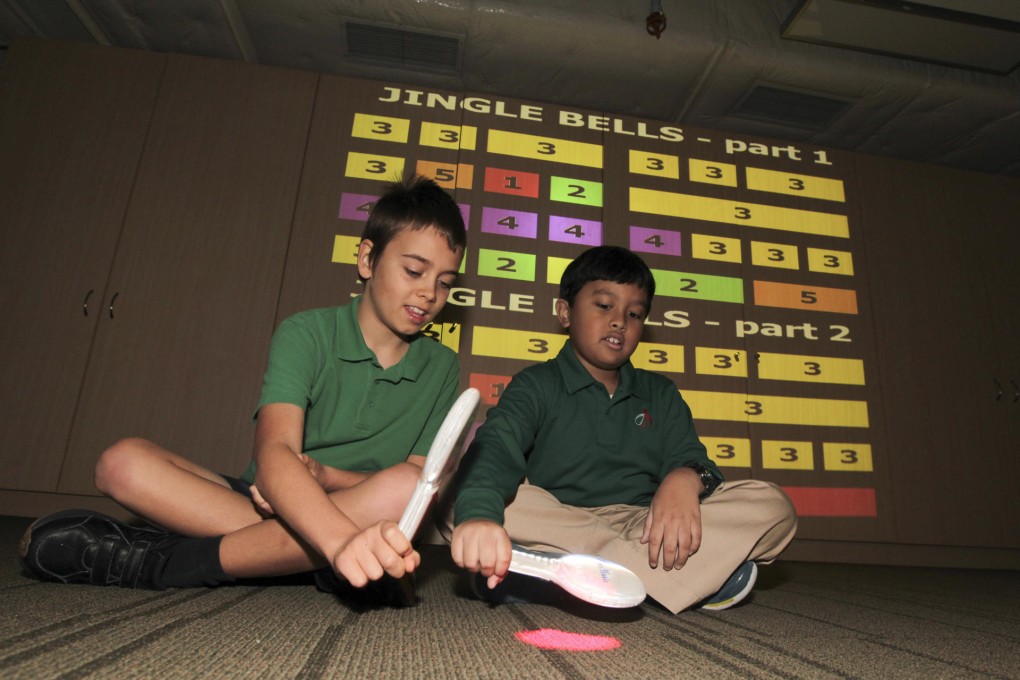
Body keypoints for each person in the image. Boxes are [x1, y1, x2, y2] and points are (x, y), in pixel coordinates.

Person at [19, 175, 467, 603]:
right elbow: (274, 459)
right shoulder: (307, 332)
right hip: (267, 506)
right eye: (413, 270)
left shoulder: (443, 366)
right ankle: (319, 564)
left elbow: (418, 488)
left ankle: (169, 563)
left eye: (445, 283)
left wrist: (328, 478)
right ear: (367, 259)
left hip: (368, 510)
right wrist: (338, 543)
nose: (429, 293)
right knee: (120, 464)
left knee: (407, 487)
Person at [448, 245, 797, 613]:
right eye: (604, 306)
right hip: (559, 518)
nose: (620, 322)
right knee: (459, 494)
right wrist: (481, 518)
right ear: (565, 312)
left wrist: (684, 479)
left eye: (635, 313)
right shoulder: (537, 383)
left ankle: (549, 573)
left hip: (645, 526)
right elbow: (497, 450)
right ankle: (687, 578)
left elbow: (696, 461)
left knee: (773, 506)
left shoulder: (660, 392)